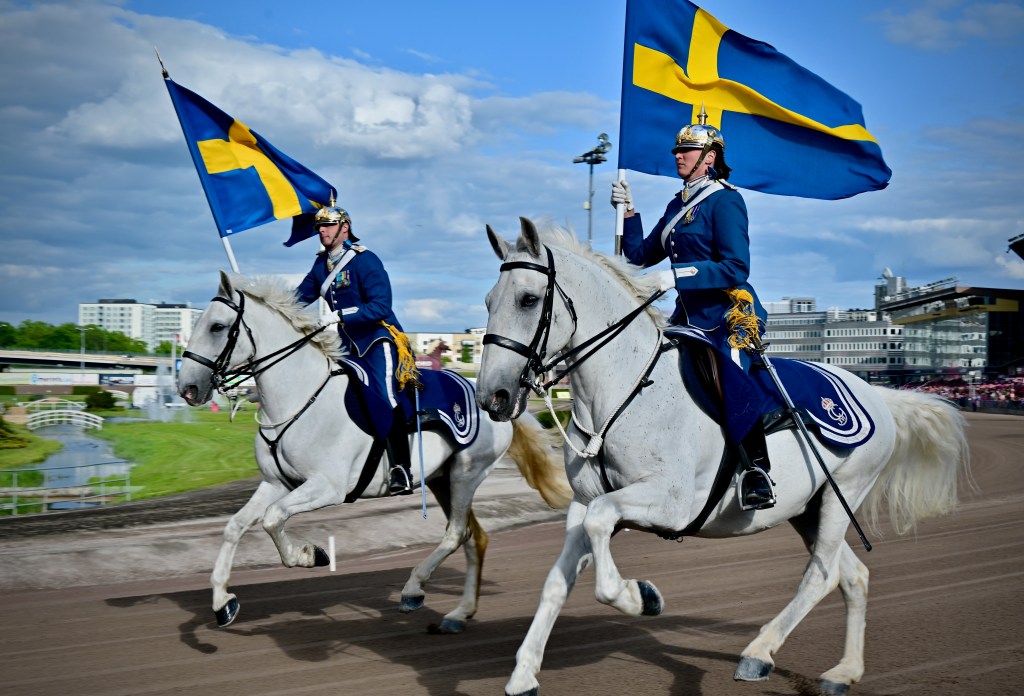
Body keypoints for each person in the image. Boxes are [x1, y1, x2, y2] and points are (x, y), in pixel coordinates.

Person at [611, 109, 774, 510]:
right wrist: (628, 212)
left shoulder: (726, 201)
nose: (678, 156)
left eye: (686, 150)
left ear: (709, 157)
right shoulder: (676, 205)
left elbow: (736, 267)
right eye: (677, 150)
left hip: (726, 315)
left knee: (731, 375)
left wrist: (677, 275)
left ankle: (757, 471)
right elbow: (637, 256)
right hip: (686, 317)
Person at [295, 199, 418, 495]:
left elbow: (380, 306)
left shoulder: (365, 260)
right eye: (320, 226)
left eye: (328, 225)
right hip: (344, 345)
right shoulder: (320, 265)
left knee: (385, 397)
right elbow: (296, 300)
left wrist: (339, 315)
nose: (322, 231)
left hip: (376, 340)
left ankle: (401, 469)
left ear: (345, 228)